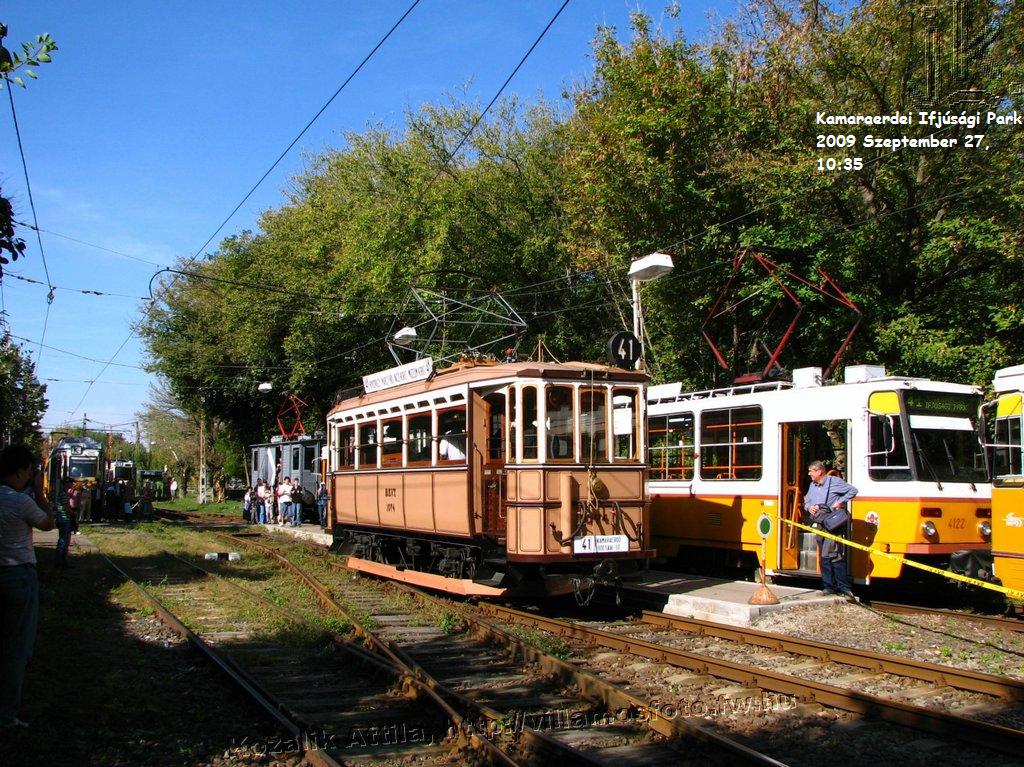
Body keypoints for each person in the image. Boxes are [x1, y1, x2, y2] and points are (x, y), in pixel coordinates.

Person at [0, 444, 56, 728]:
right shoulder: (20, 502)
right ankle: (6, 714)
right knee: (16, 646)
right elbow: (48, 524)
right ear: (21, 471)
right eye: (30, 471)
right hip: (18, 576)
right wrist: (40, 493)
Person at [804, 459, 858, 601]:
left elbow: (853, 491)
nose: (809, 474)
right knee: (824, 555)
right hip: (819, 524)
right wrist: (809, 507)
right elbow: (807, 500)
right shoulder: (812, 485)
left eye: (811, 471)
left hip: (832, 524)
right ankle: (828, 586)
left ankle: (844, 587)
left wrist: (840, 502)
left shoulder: (834, 482)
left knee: (834, 555)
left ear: (819, 472)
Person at [54, 478, 75, 568]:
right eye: (71, 482)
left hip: (63, 519)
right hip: (64, 519)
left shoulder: (64, 493)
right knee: (63, 540)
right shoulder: (63, 494)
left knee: (65, 540)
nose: (72, 484)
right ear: (67, 483)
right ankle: (60, 561)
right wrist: (73, 513)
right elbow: (66, 508)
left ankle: (62, 560)